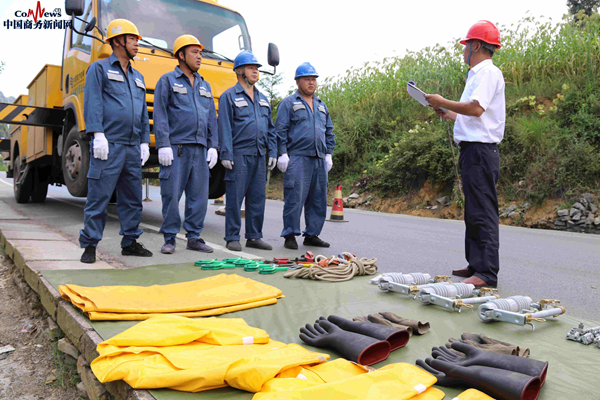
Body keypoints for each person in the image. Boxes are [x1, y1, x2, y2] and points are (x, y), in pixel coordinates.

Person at [425, 20, 505, 288]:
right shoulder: (476, 74)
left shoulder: (487, 73)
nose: (463, 51)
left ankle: (486, 273)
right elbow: (469, 115)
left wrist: (441, 100)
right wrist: (447, 112)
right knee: (473, 210)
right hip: (472, 150)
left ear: (476, 45)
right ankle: (475, 264)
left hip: (481, 151)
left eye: (466, 45)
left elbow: (476, 109)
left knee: (482, 211)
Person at [79, 19, 152, 263]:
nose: (136, 44)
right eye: (132, 39)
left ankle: (130, 241)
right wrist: (97, 134)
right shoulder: (99, 69)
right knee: (98, 197)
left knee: (132, 198)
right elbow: (93, 103)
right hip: (108, 144)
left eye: (137, 40)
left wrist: (144, 141)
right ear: (117, 40)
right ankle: (89, 245)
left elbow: (141, 111)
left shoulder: (138, 76)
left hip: (132, 147)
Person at [153, 34, 219, 254]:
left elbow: (211, 117)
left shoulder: (204, 85)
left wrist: (213, 145)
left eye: (200, 53)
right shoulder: (167, 80)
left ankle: (194, 237)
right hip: (176, 147)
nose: (199, 57)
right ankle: (170, 237)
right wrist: (163, 144)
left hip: (200, 149)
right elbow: (160, 113)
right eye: (194, 52)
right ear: (181, 55)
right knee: (171, 194)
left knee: (199, 196)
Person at [218, 51, 277, 251]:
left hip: (259, 155)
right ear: (239, 70)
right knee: (235, 197)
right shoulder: (229, 96)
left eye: (257, 68)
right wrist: (226, 153)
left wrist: (273, 152)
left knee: (257, 197)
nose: (255, 71)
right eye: (251, 67)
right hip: (239, 154)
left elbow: (270, 127)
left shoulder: (263, 98)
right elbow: (224, 126)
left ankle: (254, 236)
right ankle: (232, 236)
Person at [275, 62, 335, 250]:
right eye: (307, 79)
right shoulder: (289, 103)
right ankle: (290, 235)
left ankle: (312, 234)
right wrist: (282, 153)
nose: (311, 82)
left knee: (318, 199)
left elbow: (329, 131)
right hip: (298, 158)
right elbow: (280, 130)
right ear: (298, 81)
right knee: (295, 198)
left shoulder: (321, 105)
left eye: (314, 79)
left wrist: (328, 154)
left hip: (318, 159)